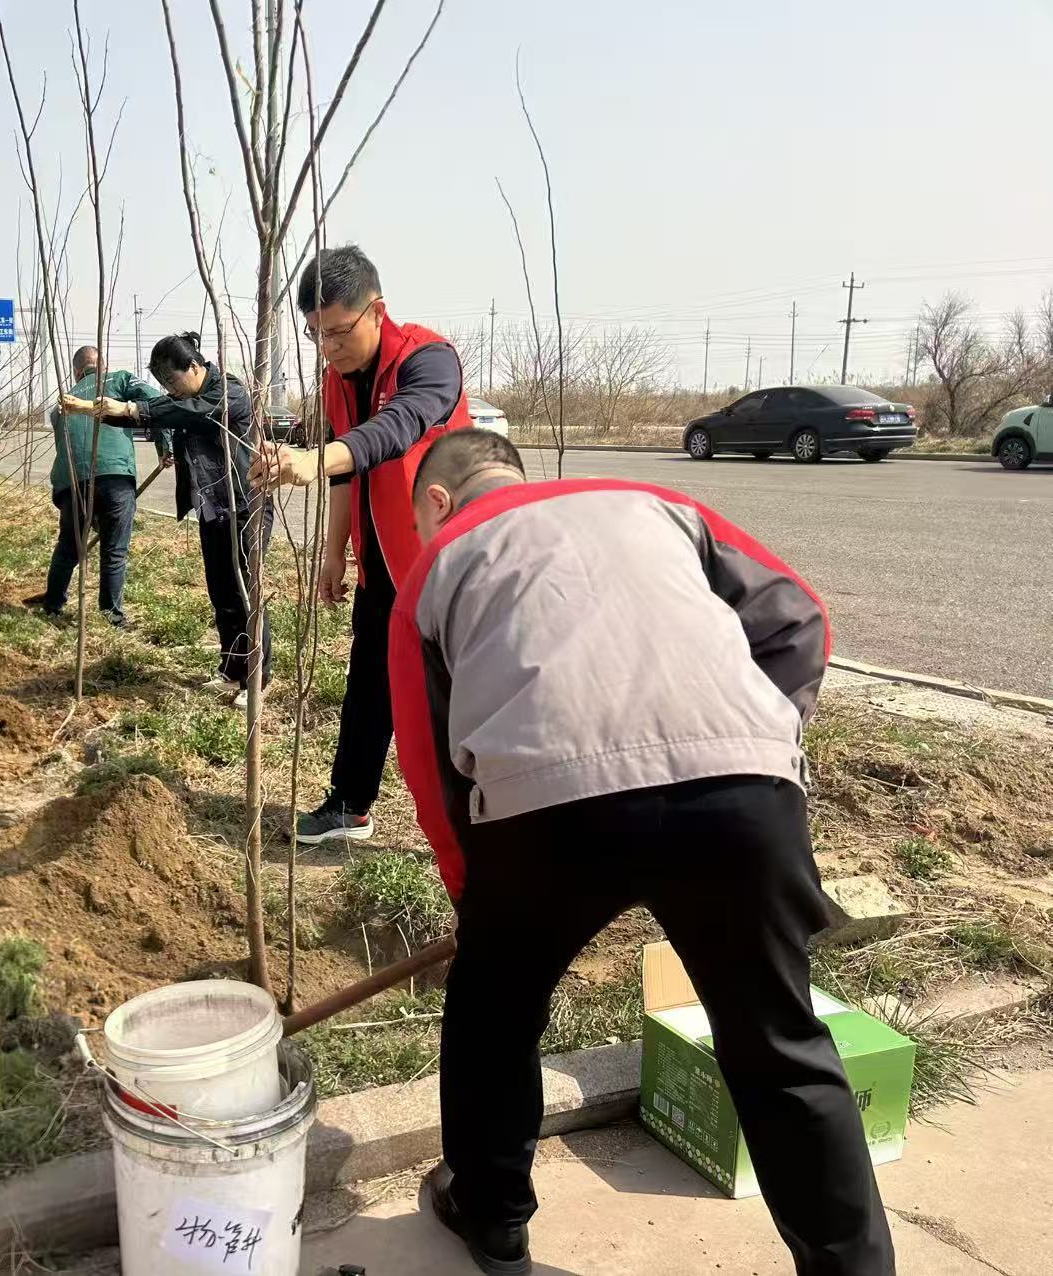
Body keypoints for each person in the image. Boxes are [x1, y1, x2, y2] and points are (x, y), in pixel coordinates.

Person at [392, 430, 893, 1275]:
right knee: (780, 1045)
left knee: (494, 1016)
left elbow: (424, 755)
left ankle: (492, 1216)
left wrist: (474, 897)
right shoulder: (658, 505)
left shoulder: (435, 565)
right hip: (742, 796)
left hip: (544, 810)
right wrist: (761, 737)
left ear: (436, 502)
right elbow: (802, 616)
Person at [250, 244, 470, 844]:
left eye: (339, 332)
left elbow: (394, 432)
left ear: (377, 311)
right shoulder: (335, 383)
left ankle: (480, 823)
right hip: (383, 565)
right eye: (316, 335)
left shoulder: (431, 362)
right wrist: (333, 551)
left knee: (456, 699)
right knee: (368, 684)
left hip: (449, 567)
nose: (329, 348)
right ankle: (349, 805)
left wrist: (311, 459)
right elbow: (349, 472)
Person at [66, 331, 270, 707]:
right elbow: (160, 415)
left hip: (245, 506)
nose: (171, 391)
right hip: (213, 509)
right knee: (221, 592)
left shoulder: (228, 392)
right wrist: (104, 411)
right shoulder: (186, 398)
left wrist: (128, 408)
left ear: (194, 366)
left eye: (173, 381)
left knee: (245, 593)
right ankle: (232, 669)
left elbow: (187, 414)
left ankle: (258, 678)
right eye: (165, 385)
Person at [27, 345, 167, 628]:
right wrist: (166, 446)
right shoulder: (119, 379)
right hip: (114, 476)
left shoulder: (60, 405)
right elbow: (159, 404)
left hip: (70, 482)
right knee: (114, 549)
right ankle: (112, 617)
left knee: (68, 546)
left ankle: (53, 604)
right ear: (102, 365)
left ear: (77, 372)